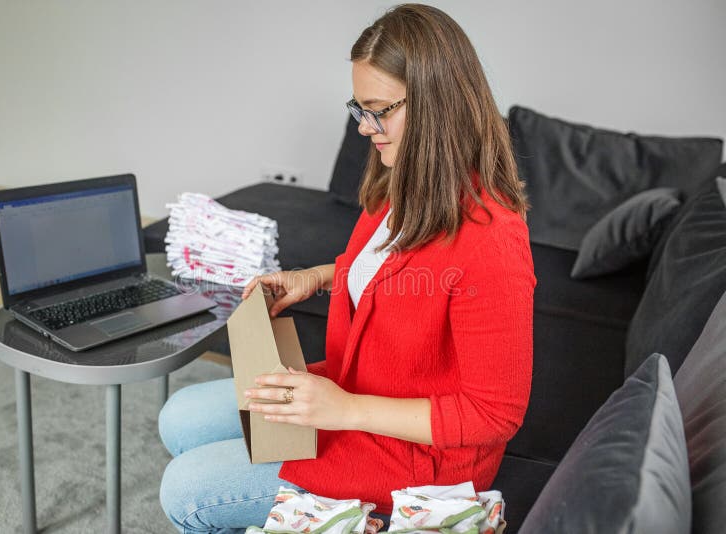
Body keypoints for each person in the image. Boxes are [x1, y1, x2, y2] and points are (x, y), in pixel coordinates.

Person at [158, 4, 536, 532]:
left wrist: (344, 411)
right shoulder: (401, 175)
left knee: (187, 490)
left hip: (413, 459)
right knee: (181, 417)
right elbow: (386, 267)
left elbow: (494, 415)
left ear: (436, 105)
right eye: (359, 109)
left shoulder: (492, 238)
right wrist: (316, 276)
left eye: (378, 110)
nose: (365, 128)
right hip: (353, 391)